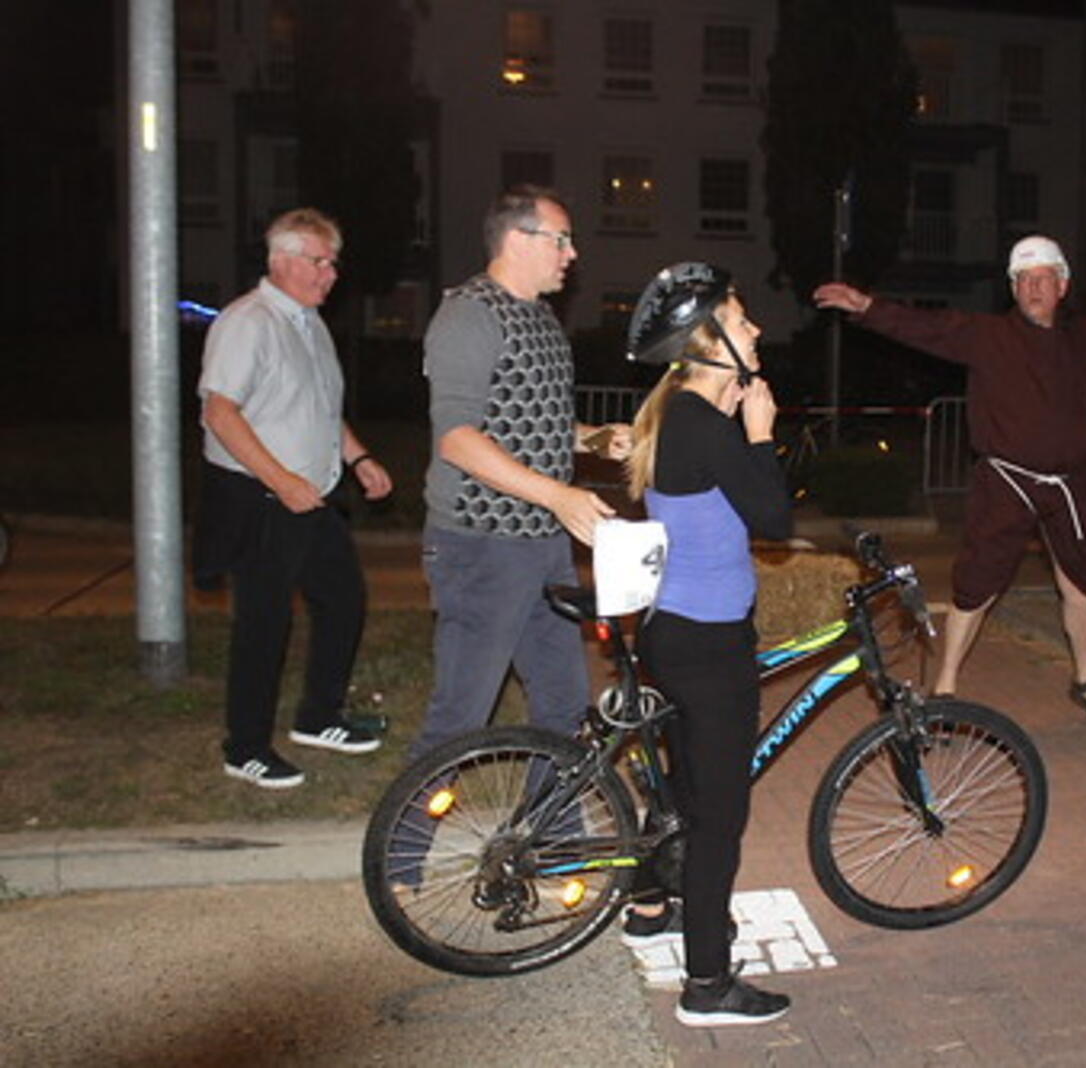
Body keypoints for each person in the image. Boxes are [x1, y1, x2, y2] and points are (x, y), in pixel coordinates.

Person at [813, 235, 1086, 727]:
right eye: (1024, 280)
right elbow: (924, 327)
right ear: (1014, 288)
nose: (1033, 288)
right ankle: (944, 688)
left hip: (1068, 485)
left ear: (1063, 285)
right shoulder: (986, 335)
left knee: (1080, 586)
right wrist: (867, 307)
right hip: (1006, 481)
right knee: (975, 588)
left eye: (1043, 279)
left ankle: (1085, 681)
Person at [621, 262, 793, 1026]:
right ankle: (708, 985)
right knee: (719, 817)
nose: (756, 330)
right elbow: (775, 518)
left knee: (687, 791)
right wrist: (761, 434)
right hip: (708, 644)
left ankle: (650, 906)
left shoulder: (681, 414)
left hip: (676, 631)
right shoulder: (706, 426)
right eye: (743, 319)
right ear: (710, 340)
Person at [411, 186, 631, 760]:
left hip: (542, 541)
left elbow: (530, 420)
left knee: (565, 710)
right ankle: (408, 823)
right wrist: (559, 495)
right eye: (561, 240)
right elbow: (458, 439)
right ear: (517, 239)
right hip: (482, 545)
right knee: (460, 719)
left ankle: (549, 819)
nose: (572, 254)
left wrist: (595, 438)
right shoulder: (469, 315)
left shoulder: (540, 317)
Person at [196, 207, 393, 789]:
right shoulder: (247, 322)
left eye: (333, 263)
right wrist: (281, 480)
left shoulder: (310, 324)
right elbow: (220, 414)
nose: (330, 274)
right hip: (260, 497)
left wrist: (359, 459)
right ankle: (245, 747)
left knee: (344, 598)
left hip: (312, 496)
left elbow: (321, 411)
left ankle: (318, 717)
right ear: (281, 260)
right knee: (264, 623)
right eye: (319, 262)